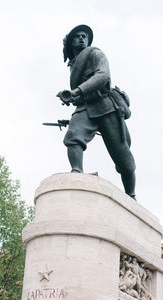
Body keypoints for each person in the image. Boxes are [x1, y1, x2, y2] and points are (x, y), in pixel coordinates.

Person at [57, 25, 136, 199]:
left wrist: (77, 91)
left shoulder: (95, 54)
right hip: (85, 106)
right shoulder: (73, 64)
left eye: (84, 36)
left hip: (106, 107)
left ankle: (131, 195)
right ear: (69, 44)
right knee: (73, 136)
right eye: (76, 37)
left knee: (124, 161)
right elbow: (80, 91)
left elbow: (103, 76)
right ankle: (76, 172)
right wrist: (71, 98)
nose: (81, 38)